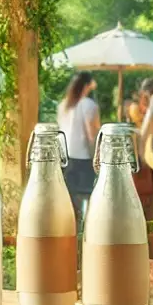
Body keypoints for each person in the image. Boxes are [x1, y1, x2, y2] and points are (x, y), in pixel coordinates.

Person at [56, 72, 100, 222]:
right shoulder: (88, 104)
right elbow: (91, 133)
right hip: (83, 156)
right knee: (89, 195)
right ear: (87, 86)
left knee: (69, 196)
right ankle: (86, 229)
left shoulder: (63, 105)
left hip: (64, 155)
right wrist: (98, 153)